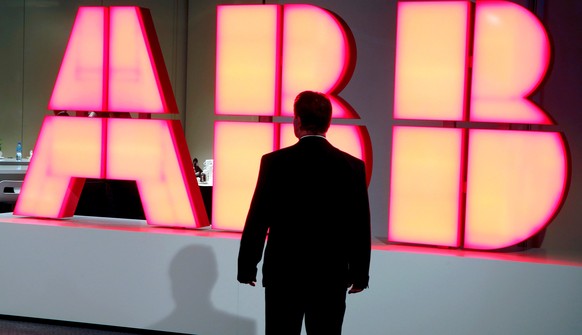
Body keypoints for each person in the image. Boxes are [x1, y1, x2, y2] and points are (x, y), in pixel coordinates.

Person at [237, 91, 371, 335]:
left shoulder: (274, 162)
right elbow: (359, 225)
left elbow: (258, 218)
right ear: (328, 123)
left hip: (284, 274)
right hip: (331, 275)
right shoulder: (352, 166)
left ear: (297, 121)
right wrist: (360, 274)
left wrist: (247, 266)